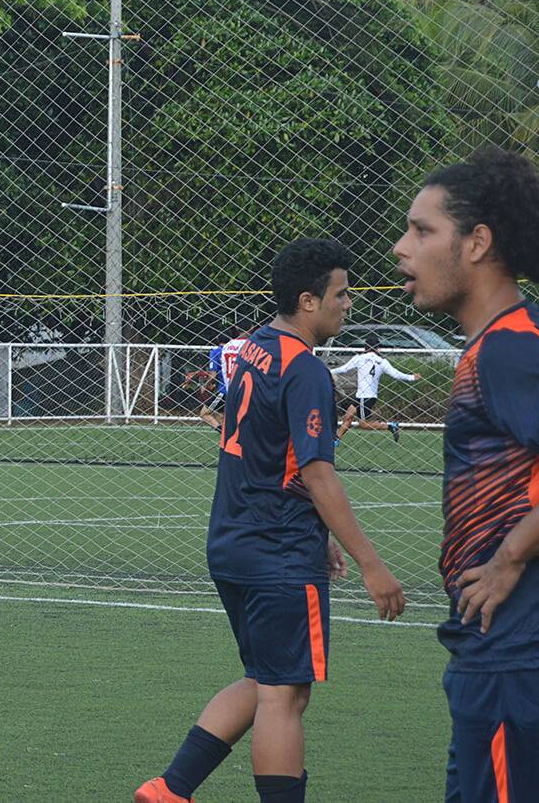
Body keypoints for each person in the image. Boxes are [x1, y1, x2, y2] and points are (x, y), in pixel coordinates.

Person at [138, 239, 405, 803]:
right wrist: (371, 564)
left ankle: (169, 790)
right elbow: (317, 473)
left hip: (233, 540)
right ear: (308, 301)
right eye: (342, 293)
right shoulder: (305, 369)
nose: (349, 304)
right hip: (277, 550)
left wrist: (320, 532)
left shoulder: (256, 345)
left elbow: (269, 451)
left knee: (265, 680)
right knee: (286, 695)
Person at [393, 146, 539, 803]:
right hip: (507, 650)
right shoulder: (516, 338)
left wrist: (510, 555)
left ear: (478, 242)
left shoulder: (509, 348)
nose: (402, 247)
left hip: (523, 644)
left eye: (423, 231)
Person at [330, 338, 417, 443]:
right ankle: (336, 440)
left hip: (364, 397)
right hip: (367, 396)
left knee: (363, 424)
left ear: (365, 347)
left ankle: (390, 426)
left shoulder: (359, 358)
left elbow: (343, 369)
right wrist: (411, 377)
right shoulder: (382, 361)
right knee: (349, 415)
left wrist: (328, 371)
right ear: (377, 348)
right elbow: (396, 374)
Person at [200, 325, 250, 431]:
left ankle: (224, 434)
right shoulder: (237, 349)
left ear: (218, 338)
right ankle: (229, 434)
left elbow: (213, 374)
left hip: (224, 390)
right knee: (222, 415)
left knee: (204, 413)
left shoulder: (217, 351)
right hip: (240, 388)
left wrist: (206, 385)